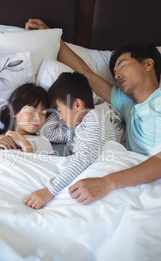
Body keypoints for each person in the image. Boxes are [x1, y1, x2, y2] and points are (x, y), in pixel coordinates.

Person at [25, 19, 161, 205]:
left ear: (148, 64)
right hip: (137, 182)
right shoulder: (128, 106)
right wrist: (52, 37)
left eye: (122, 65)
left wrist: (106, 183)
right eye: (114, 70)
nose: (116, 74)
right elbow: (86, 74)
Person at [24, 72, 116, 209]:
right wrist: (58, 106)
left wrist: (49, 190)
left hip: (107, 171)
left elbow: (84, 157)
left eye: (60, 111)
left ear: (78, 104)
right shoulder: (72, 131)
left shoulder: (95, 117)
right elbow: (45, 132)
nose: (60, 117)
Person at [0, 83, 54, 155]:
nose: (38, 118)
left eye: (43, 113)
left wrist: (25, 144)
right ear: (14, 111)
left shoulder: (42, 142)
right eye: (32, 111)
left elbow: (45, 167)